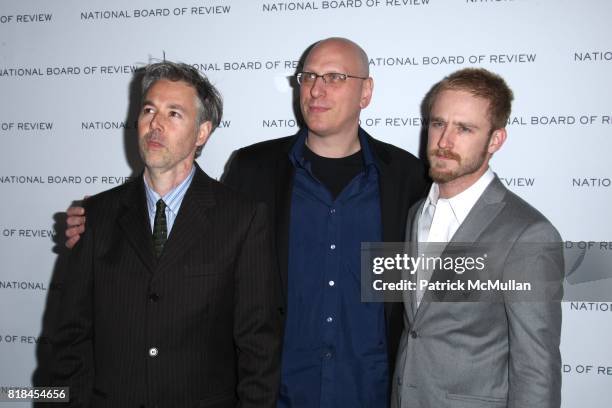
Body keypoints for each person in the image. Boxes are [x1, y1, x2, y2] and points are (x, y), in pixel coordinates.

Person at [65, 38, 428, 406]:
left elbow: (433, 292)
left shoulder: (407, 178)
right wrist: (108, 219)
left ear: (365, 91)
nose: (317, 89)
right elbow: (191, 228)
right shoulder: (253, 170)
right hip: (276, 394)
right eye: (308, 76)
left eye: (335, 77)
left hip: (370, 393)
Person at [51, 61, 281, 407]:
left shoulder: (242, 219)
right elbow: (70, 342)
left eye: (174, 114)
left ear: (202, 133)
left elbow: (258, 349)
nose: (155, 124)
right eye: (148, 110)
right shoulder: (95, 216)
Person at [392, 68, 563, 408]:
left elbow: (536, 369)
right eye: (438, 123)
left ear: (495, 140)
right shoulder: (416, 213)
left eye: (464, 129)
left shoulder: (528, 235)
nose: (444, 141)